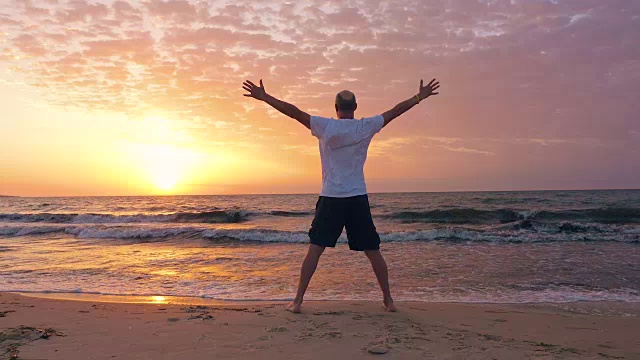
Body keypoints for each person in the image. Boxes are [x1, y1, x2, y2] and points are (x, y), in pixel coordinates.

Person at [242, 78, 440, 313]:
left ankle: (297, 301)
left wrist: (265, 97)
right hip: (357, 197)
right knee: (373, 251)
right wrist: (419, 97)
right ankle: (388, 300)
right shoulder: (365, 126)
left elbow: (293, 112)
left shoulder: (325, 126)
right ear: (355, 108)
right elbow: (395, 111)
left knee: (315, 249)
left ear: (336, 109)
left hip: (331, 198)